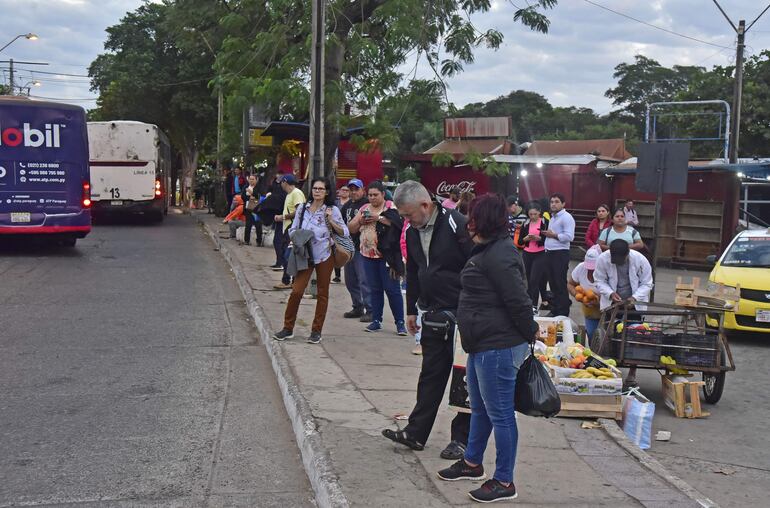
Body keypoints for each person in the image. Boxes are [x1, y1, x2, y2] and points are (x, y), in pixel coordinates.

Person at [437, 193, 537, 503]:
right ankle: (472, 462)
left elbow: (519, 301)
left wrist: (529, 333)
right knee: (478, 408)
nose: (469, 224)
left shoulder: (501, 254)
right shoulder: (488, 249)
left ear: (488, 221)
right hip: (482, 344)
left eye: (474, 218)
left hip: (499, 346)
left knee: (502, 415)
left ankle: (504, 481)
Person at [382, 180, 472, 460]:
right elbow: (414, 271)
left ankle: (462, 439)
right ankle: (416, 432)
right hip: (432, 313)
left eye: (409, 215)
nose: (407, 220)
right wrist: (411, 309)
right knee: (430, 375)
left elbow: (474, 265)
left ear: (425, 204)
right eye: (403, 216)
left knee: (463, 380)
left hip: (463, 314)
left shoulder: (457, 224)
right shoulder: (412, 232)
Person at [272, 177, 348, 344]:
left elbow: (344, 232)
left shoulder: (332, 209)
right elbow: (293, 229)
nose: (317, 191)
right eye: (315, 188)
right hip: (304, 255)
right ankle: (288, 328)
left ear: (327, 191)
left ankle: (316, 331)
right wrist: (299, 238)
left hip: (324, 255)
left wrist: (331, 221)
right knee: (297, 291)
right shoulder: (302, 209)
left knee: (322, 294)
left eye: (321, 189)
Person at [347, 181, 406, 335]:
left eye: (375, 195)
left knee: (392, 290)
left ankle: (400, 322)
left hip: (387, 257)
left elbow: (397, 224)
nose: (372, 198)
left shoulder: (390, 207)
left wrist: (377, 217)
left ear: (382, 194)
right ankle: (376, 320)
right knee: (374, 289)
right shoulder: (364, 209)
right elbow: (351, 228)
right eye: (370, 195)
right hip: (367, 255)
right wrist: (361, 220)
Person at [594, 239, 653, 386]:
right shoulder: (603, 259)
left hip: (634, 305)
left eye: (621, 260)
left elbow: (647, 283)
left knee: (635, 338)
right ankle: (609, 371)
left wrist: (635, 298)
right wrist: (610, 293)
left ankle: (632, 373)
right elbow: (599, 280)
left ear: (628, 254)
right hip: (613, 304)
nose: (618, 263)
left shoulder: (640, 260)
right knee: (608, 337)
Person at [339, 179, 372, 321]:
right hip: (348, 247)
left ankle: (370, 309)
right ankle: (357, 306)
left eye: (356, 189)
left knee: (364, 280)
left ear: (362, 190)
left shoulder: (367, 205)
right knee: (350, 280)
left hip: (362, 247)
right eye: (351, 189)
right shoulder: (346, 206)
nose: (353, 192)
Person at [542, 193, 575, 317]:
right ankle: (556, 309)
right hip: (549, 253)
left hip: (560, 253)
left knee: (560, 283)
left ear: (563, 204)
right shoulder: (553, 217)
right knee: (553, 283)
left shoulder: (566, 217)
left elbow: (569, 237)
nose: (553, 204)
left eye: (556, 201)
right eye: (551, 202)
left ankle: (563, 312)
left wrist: (554, 235)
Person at [273, 174, 305, 289]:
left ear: (284, 182)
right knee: (287, 254)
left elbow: (299, 212)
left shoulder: (296, 193)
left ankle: (288, 280)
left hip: (293, 228)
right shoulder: (290, 194)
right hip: (288, 227)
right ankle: (289, 280)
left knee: (288, 255)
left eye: (281, 182)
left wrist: (282, 217)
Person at [516, 202, 549, 312]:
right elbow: (520, 241)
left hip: (540, 253)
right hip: (527, 253)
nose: (533, 216)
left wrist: (539, 238)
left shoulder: (544, 222)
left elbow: (548, 239)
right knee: (528, 280)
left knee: (534, 280)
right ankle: (529, 304)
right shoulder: (525, 224)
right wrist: (526, 239)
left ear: (539, 212)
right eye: (531, 214)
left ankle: (534, 306)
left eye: (535, 214)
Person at [568, 246, 603, 340]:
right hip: (590, 312)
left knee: (605, 337)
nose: (591, 270)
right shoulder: (581, 268)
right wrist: (576, 295)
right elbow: (570, 284)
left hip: (607, 311)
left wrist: (599, 302)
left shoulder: (606, 270)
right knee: (591, 335)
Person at [241, 174, 263, 246]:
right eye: (250, 179)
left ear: (256, 180)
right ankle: (246, 240)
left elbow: (260, 195)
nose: (251, 180)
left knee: (258, 225)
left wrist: (252, 193)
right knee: (248, 225)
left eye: (253, 179)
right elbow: (242, 196)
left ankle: (259, 241)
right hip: (248, 208)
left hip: (257, 209)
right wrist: (249, 198)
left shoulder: (259, 187)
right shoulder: (246, 187)